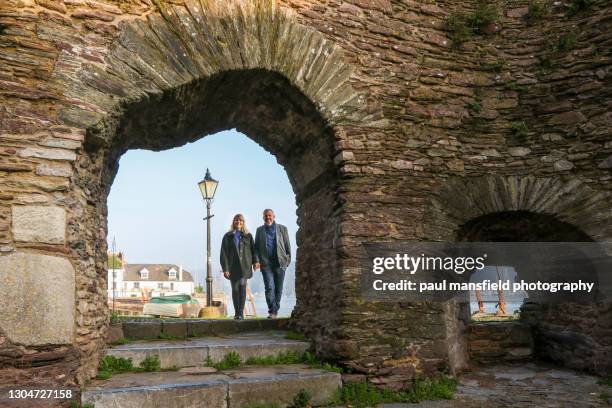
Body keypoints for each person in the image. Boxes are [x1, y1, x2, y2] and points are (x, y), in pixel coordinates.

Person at [220, 214, 259, 320]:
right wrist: (225, 269)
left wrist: (256, 262)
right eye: (236, 220)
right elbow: (223, 253)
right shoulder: (227, 236)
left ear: (243, 222)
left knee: (242, 287)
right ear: (233, 222)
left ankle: (240, 313)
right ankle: (237, 312)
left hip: (245, 266)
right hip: (233, 267)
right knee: (235, 289)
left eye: (241, 220)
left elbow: (253, 251)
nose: (239, 222)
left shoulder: (248, 236)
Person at [255, 209, 291, 319]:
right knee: (269, 287)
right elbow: (256, 248)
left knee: (278, 289)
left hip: (280, 264)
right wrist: (256, 261)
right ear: (263, 217)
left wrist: (287, 261)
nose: (268, 217)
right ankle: (272, 311)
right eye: (265, 216)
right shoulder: (259, 230)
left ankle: (274, 311)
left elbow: (287, 246)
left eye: (270, 215)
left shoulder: (282, 229)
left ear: (274, 216)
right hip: (266, 265)